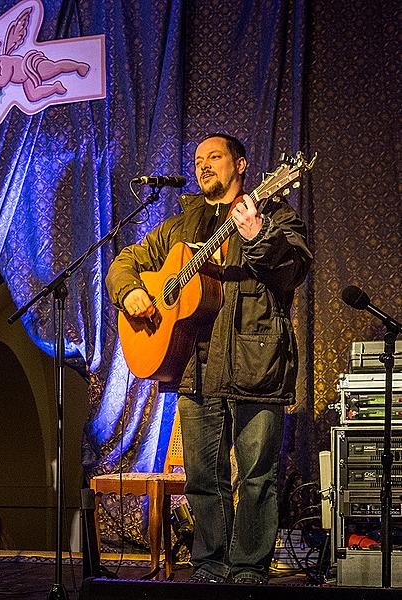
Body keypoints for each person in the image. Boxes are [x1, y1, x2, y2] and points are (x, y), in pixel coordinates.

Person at [105, 134, 311, 584]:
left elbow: (294, 269)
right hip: (194, 366)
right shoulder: (183, 224)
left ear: (240, 164)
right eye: (198, 160)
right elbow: (124, 260)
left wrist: (258, 236)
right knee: (203, 477)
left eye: (213, 157)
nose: (203, 166)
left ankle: (249, 568)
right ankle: (209, 565)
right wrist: (132, 290)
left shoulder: (274, 212)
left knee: (257, 476)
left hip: (257, 362)